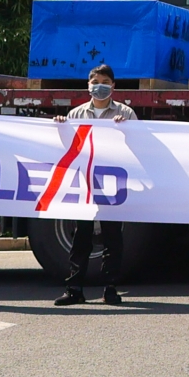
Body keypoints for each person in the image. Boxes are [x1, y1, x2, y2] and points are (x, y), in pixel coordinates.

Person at [53, 64, 135, 306]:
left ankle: (110, 287)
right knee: (81, 237)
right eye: (95, 82)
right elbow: (65, 146)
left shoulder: (125, 113)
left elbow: (138, 145)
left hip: (112, 184)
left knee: (112, 237)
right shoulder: (75, 115)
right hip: (84, 184)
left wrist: (127, 129)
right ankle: (74, 288)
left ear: (113, 86)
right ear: (88, 86)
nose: (100, 86)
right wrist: (60, 125)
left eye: (105, 82)